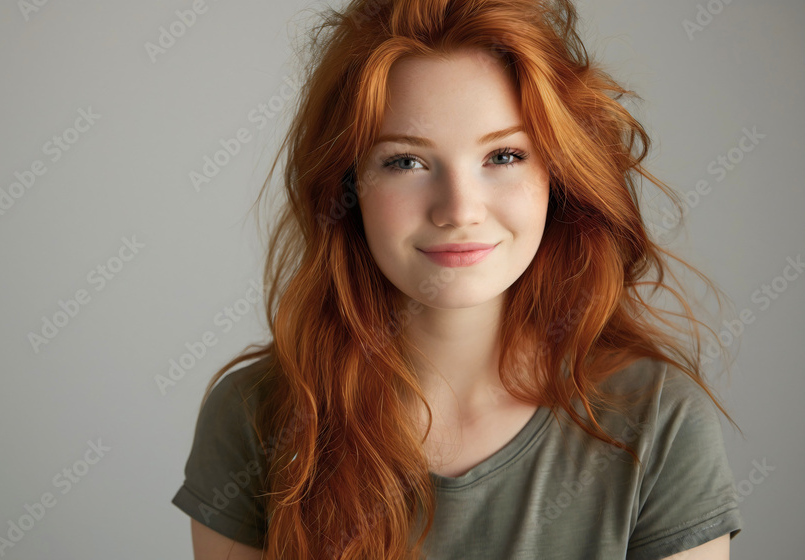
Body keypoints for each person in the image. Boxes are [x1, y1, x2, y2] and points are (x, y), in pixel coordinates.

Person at [171, 0, 745, 558]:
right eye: (405, 161)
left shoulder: (659, 423)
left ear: (559, 175)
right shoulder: (254, 417)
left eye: (503, 156)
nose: (459, 209)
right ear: (346, 191)